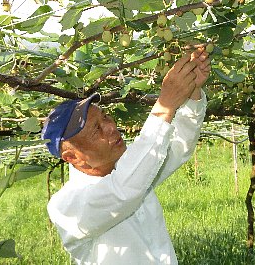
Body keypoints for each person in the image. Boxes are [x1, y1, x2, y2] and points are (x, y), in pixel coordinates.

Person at [42, 48, 211, 264]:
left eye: (106, 117)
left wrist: (192, 92)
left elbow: (179, 146)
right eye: (96, 130)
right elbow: (123, 191)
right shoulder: (66, 206)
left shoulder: (133, 171)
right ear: (73, 157)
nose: (111, 127)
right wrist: (165, 105)